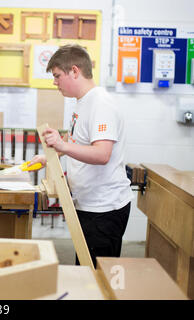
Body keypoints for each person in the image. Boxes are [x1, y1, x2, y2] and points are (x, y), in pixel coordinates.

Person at [29, 44, 133, 268]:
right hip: (88, 203)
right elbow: (79, 143)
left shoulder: (100, 103)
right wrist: (51, 154)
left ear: (74, 71)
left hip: (104, 208)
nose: (54, 82)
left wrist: (62, 147)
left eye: (57, 76)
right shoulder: (82, 102)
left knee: (97, 275)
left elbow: (102, 154)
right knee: (85, 271)